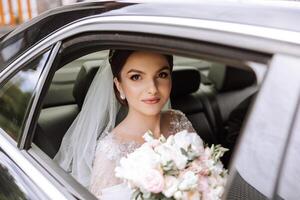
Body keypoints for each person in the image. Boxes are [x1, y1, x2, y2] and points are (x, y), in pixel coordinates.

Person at [54, 50, 197, 199]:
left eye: (162, 75)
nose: (152, 89)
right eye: (136, 77)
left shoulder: (178, 120)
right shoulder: (110, 152)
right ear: (119, 85)